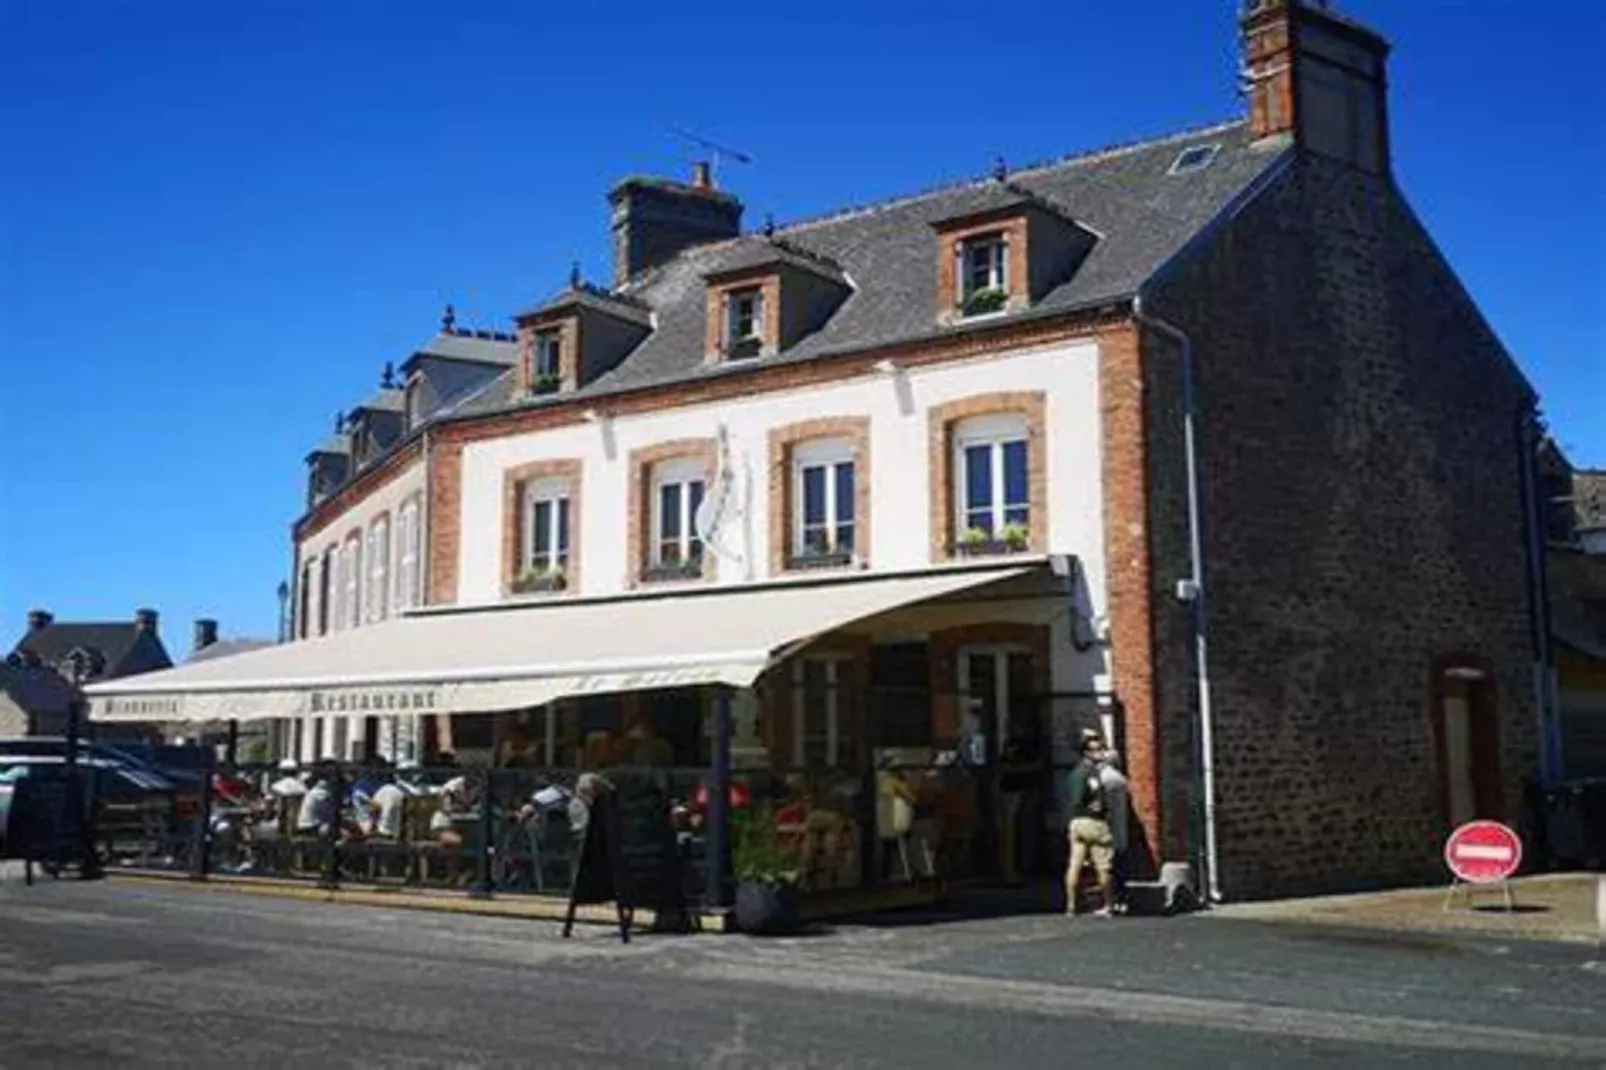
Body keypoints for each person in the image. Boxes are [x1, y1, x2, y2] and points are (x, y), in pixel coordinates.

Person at [1064, 735, 1116, 917]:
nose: (1101, 752)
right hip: (1094, 822)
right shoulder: (1091, 773)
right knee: (1103, 865)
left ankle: (1071, 906)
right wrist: (1095, 806)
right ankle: (1109, 904)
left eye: (1102, 748)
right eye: (1097, 749)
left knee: (1074, 864)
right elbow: (1084, 798)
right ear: (1087, 753)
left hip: (1076, 822)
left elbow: (1073, 799)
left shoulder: (1075, 773)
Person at [1098, 747, 1131, 913]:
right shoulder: (1121, 779)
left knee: (1109, 868)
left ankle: (1110, 902)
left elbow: (1103, 807)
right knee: (1121, 868)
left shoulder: (1104, 778)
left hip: (1109, 830)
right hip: (1121, 830)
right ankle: (1122, 900)